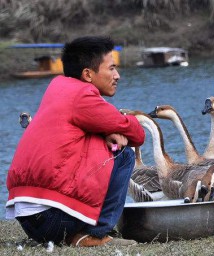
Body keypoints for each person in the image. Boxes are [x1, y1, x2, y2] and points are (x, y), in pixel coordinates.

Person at [5, 36, 145, 247]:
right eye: (112, 68)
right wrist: (117, 128)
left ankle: (75, 234)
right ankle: (96, 233)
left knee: (103, 142)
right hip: (52, 218)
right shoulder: (83, 96)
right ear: (88, 74)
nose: (118, 75)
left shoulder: (58, 87)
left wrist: (106, 132)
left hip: (30, 219)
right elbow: (138, 135)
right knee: (123, 154)